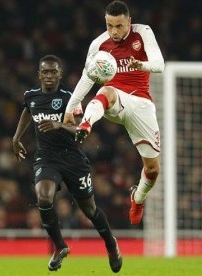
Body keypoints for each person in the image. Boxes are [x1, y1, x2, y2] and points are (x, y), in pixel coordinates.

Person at [12, 55, 122, 273]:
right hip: (47, 158)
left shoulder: (70, 99)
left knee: (89, 210)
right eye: (45, 72)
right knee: (43, 196)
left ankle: (111, 244)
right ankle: (59, 247)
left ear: (59, 74)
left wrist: (60, 125)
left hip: (73, 159)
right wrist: (16, 138)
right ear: (39, 74)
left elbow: (83, 130)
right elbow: (28, 109)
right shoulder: (31, 96)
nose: (49, 76)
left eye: (53, 72)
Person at [63, 0, 164, 226]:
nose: (114, 31)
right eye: (109, 25)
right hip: (114, 99)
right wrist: (71, 107)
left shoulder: (143, 32)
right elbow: (86, 77)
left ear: (129, 21)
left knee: (153, 169)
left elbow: (160, 64)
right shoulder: (99, 45)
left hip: (141, 104)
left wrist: (143, 65)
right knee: (106, 91)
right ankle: (86, 125)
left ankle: (137, 198)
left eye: (119, 26)